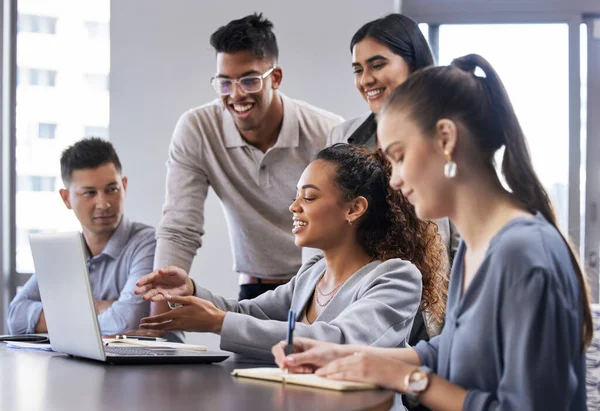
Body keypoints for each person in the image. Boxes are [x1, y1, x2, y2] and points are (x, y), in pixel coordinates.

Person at [271, 54, 591, 410]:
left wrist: (408, 379)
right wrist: (346, 355)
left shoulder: (523, 253)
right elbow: (448, 351)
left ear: (445, 138)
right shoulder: (476, 249)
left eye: (400, 156)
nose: (394, 179)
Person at [134, 144, 448, 360]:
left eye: (309, 198)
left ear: (354, 208)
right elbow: (249, 314)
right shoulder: (312, 274)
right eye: (296, 196)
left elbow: (338, 341)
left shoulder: (396, 276)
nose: (293, 207)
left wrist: (218, 323)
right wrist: (190, 290)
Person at [152, 13, 343, 312]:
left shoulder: (327, 132)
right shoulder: (198, 129)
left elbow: (343, 226)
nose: (236, 94)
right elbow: (179, 227)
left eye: (250, 81)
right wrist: (158, 324)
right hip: (254, 286)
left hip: (321, 285)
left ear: (275, 78)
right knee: (241, 360)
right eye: (225, 83)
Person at [326, 13, 458, 342]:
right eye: (358, 69)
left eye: (378, 64)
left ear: (413, 64)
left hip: (427, 314)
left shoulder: (448, 136)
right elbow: (322, 222)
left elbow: (459, 245)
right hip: (355, 306)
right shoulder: (344, 136)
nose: (366, 79)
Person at [8, 138, 156, 336]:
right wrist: (99, 308)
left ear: (124, 186)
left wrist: (61, 316)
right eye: (89, 193)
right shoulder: (63, 253)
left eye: (112, 189)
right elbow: (15, 317)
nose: (103, 203)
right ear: (66, 198)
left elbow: (126, 321)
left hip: (153, 367)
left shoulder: (148, 243)